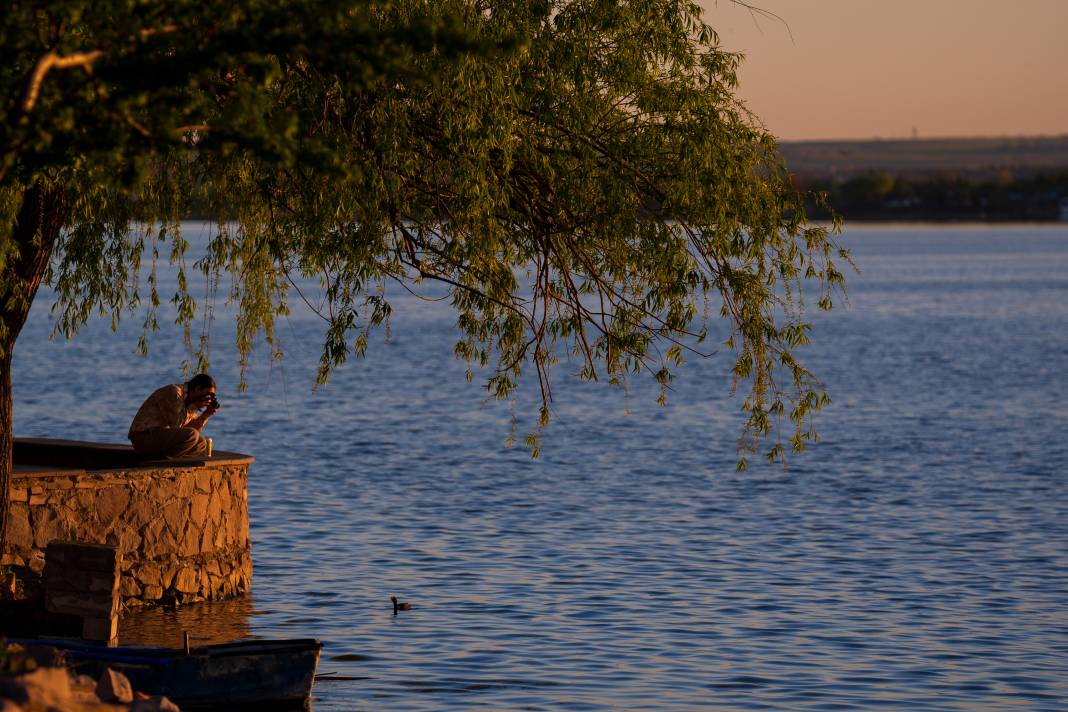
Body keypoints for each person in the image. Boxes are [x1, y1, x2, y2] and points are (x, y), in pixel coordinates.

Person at [128, 373, 219, 459]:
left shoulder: (191, 402)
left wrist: (205, 415)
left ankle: (169, 459)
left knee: (201, 443)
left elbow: (188, 429)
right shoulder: (174, 393)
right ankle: (166, 461)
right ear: (197, 389)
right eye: (208, 395)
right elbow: (177, 425)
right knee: (192, 435)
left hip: (160, 436)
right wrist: (194, 406)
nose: (208, 400)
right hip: (143, 437)